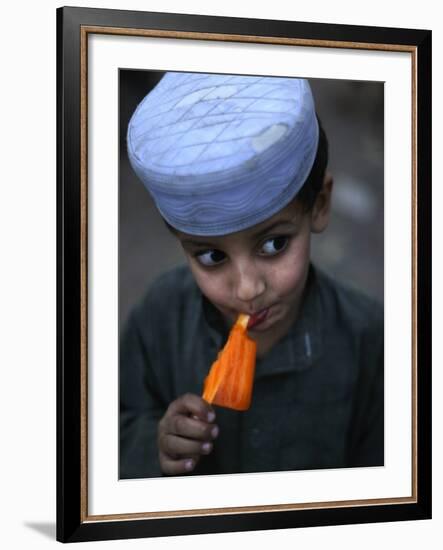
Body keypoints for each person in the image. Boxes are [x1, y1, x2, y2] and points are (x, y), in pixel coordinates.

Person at [120, 72, 384, 479]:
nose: (247, 289)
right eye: (211, 255)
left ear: (320, 205)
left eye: (274, 244)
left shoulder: (370, 339)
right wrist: (155, 443)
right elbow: (104, 428)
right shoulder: (159, 318)